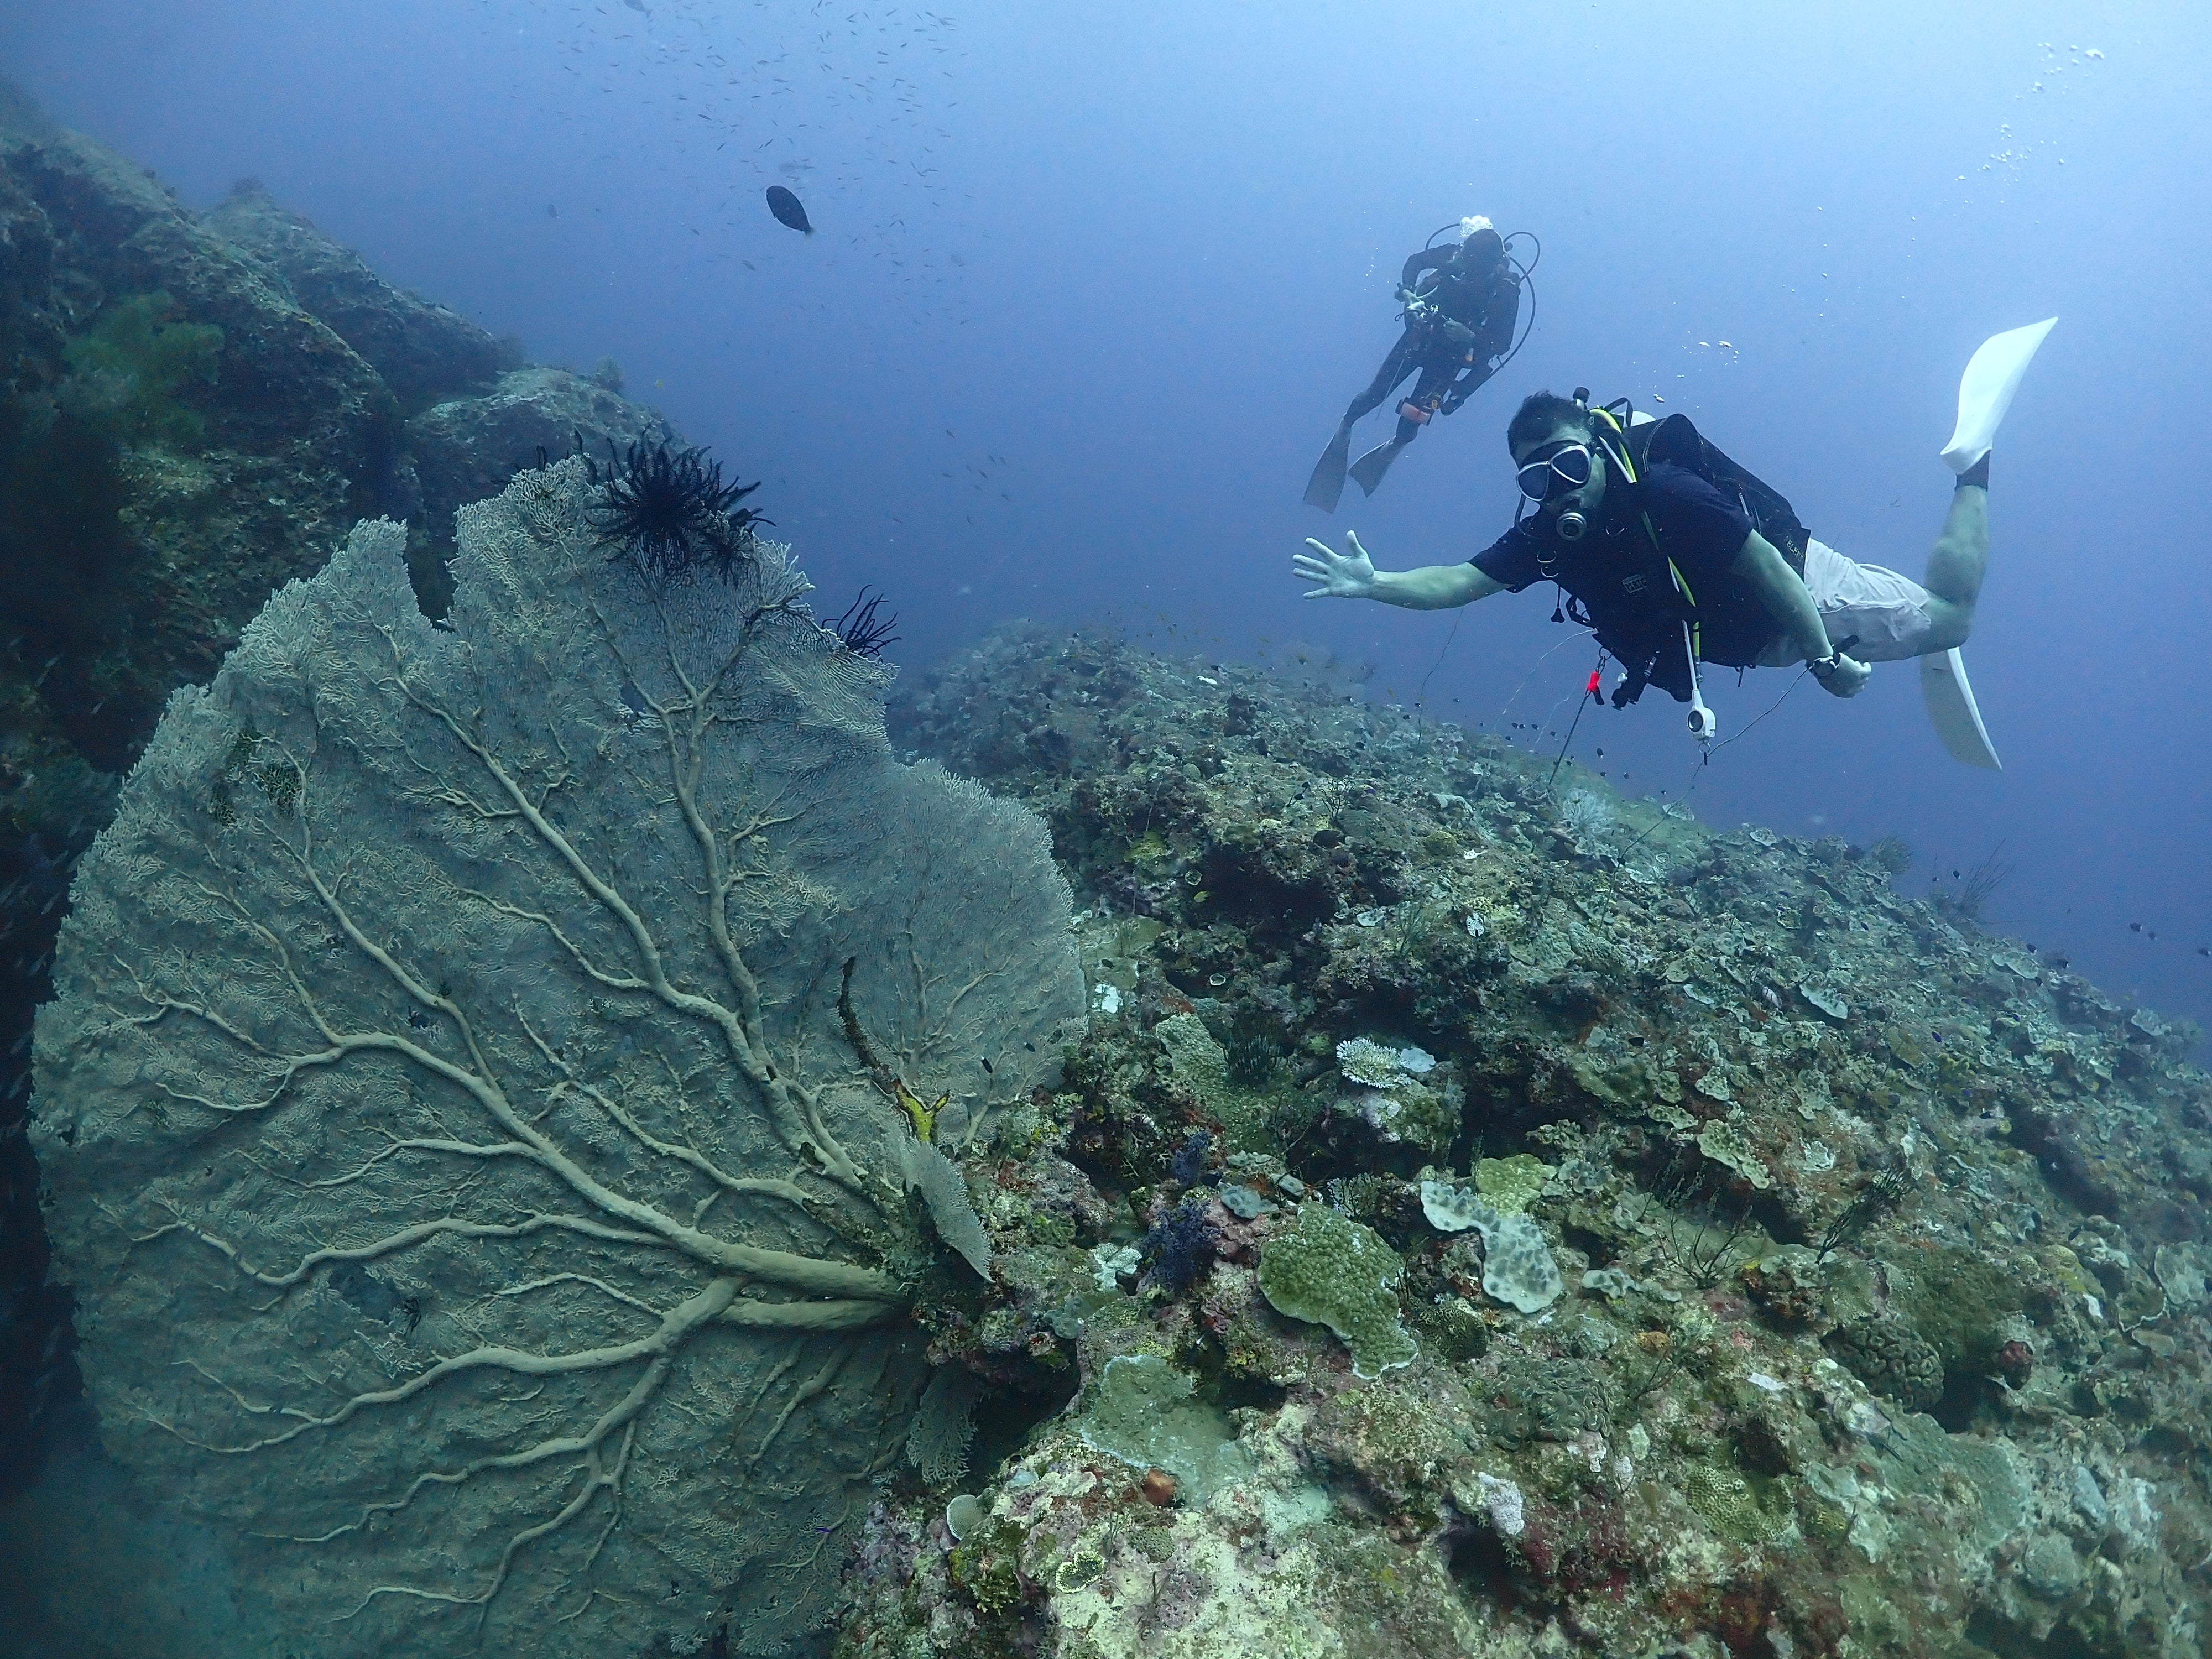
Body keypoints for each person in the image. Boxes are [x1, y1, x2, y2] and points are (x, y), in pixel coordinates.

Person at [1292, 319, 2056, 763]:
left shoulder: (1666, 493)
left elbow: (1765, 567)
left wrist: (1823, 654)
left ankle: (1974, 459)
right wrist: (1376, 582)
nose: (1558, 489)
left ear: (1594, 448)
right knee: (1904, 612)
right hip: (1756, 642)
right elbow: (1459, 581)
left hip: (1800, 593)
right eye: (1537, 480)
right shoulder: (1548, 543)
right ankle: (1900, 607)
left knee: (1952, 617)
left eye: (1567, 463)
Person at [1304, 218, 1521, 512]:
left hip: (1450, 359)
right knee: (1375, 395)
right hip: (1420, 337)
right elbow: (1414, 262)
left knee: (1414, 416)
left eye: (1474, 267)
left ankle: (1396, 445)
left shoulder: (1506, 289)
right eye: (1465, 261)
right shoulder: (1453, 255)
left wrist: (1469, 335)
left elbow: (1503, 343)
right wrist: (1408, 293)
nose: (1466, 270)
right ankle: (1346, 428)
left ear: (1492, 265)